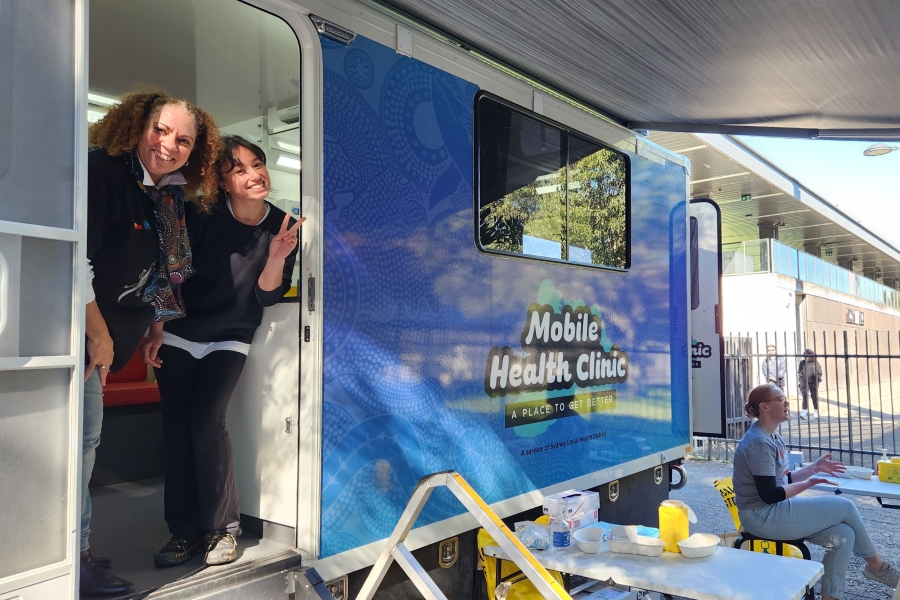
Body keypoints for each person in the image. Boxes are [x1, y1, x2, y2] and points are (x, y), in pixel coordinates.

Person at [83, 91, 221, 596]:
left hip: (112, 337)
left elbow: (160, 273)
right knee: (78, 447)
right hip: (77, 334)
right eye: (161, 130)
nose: (170, 144)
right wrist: (98, 335)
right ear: (138, 124)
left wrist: (154, 328)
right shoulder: (105, 172)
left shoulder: (166, 195)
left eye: (184, 140)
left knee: (86, 446)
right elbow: (79, 256)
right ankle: (73, 562)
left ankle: (77, 550)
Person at [141, 135, 303, 567]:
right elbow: (171, 270)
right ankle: (183, 533)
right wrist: (156, 328)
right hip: (180, 331)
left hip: (231, 334)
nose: (254, 175)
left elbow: (268, 297)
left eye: (257, 164)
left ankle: (222, 530)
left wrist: (276, 256)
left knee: (207, 421)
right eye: (239, 170)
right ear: (223, 182)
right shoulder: (203, 215)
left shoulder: (283, 224)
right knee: (175, 429)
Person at [733, 384, 899, 600]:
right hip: (761, 515)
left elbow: (784, 480)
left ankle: (831, 596)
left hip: (775, 510)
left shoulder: (772, 437)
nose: (787, 403)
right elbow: (770, 495)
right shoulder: (758, 442)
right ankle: (878, 567)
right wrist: (810, 482)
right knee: (845, 506)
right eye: (780, 399)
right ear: (764, 407)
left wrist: (814, 468)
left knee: (843, 535)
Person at [798, 349, 822, 420]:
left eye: (809, 356)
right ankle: (804, 413)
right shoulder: (802, 362)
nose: (807, 358)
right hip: (804, 381)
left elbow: (819, 372)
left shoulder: (815, 362)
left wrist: (817, 379)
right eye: (806, 356)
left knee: (814, 397)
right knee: (805, 396)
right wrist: (801, 380)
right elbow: (799, 371)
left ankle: (816, 411)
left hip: (813, 382)